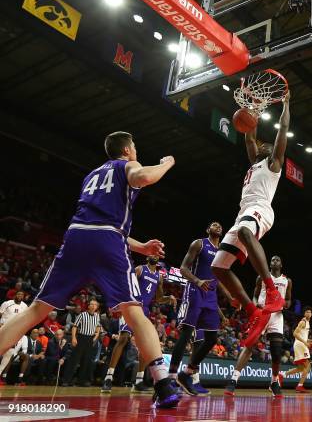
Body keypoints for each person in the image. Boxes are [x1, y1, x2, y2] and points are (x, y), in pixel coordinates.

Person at [0, 132, 180, 408]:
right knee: (134, 312)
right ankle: (164, 384)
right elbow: (143, 178)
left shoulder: (92, 176)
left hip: (76, 237)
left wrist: (140, 247)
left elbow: (99, 222)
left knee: (37, 309)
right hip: (106, 240)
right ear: (128, 150)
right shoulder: (125, 165)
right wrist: (167, 163)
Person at [211, 92, 291, 348]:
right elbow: (248, 134)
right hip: (243, 212)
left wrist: (286, 105)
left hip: (261, 209)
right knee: (218, 267)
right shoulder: (253, 163)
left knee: (246, 232)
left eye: (265, 145)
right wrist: (252, 108)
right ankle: (252, 311)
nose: (262, 145)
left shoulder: (273, 163)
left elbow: (283, 131)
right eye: (260, 144)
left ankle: (272, 291)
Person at [101, 255, 176, 393]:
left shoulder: (159, 277)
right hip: (132, 306)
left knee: (145, 343)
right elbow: (125, 284)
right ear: (147, 257)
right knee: (123, 338)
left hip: (145, 310)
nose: (154, 256)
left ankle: (139, 381)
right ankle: (108, 377)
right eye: (152, 254)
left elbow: (159, 298)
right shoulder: (140, 269)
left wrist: (168, 298)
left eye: (157, 254)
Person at [171, 222, 229, 396]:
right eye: (213, 224)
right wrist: (197, 281)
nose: (217, 226)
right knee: (187, 334)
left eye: (220, 225)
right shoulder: (199, 243)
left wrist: (230, 296)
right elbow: (183, 268)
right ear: (207, 229)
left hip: (211, 297)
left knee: (212, 338)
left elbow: (220, 279)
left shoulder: (222, 252)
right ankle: (171, 377)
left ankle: (186, 373)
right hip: (195, 290)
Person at [224, 255, 292, 397]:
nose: (274, 261)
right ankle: (233, 380)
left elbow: (288, 300)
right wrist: (255, 307)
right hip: (262, 312)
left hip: (277, 316)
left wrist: (284, 304)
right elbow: (255, 295)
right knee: (250, 345)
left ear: (281, 264)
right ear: (269, 264)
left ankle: (274, 382)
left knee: (276, 351)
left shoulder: (287, 281)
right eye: (272, 260)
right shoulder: (261, 277)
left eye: (277, 260)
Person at [62, 299, 100, 387]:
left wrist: (96, 336)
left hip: (90, 339)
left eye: (95, 305)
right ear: (89, 306)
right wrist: (74, 338)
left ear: (97, 307)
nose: (94, 306)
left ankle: (81, 381)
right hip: (81, 337)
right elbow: (74, 327)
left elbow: (98, 327)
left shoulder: (97, 316)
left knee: (86, 361)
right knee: (74, 360)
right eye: (92, 304)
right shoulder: (82, 315)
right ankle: (66, 380)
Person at [282, 307, 312, 393]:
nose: (309, 313)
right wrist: (304, 342)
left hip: (301, 344)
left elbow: (302, 335)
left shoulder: (307, 323)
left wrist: (307, 340)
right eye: (307, 312)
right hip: (300, 345)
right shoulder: (303, 322)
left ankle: (282, 375)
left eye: (310, 312)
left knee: (300, 368)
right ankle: (300, 386)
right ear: (304, 314)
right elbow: (295, 333)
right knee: (308, 366)